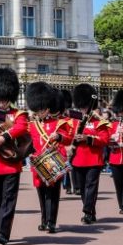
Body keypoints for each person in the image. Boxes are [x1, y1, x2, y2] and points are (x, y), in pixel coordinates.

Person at [0, 67, 29, 245]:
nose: (1, 103)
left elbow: (21, 128)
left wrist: (4, 137)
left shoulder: (18, 114)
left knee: (8, 200)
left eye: (4, 99)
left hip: (11, 164)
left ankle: (3, 233)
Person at [26, 82, 74, 233]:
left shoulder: (59, 123)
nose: (39, 112)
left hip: (53, 160)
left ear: (47, 108)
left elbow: (68, 138)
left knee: (53, 194)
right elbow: (28, 143)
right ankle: (43, 219)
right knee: (41, 193)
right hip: (39, 161)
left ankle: (51, 221)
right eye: (37, 110)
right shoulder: (32, 125)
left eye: (42, 109)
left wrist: (59, 136)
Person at [68, 83, 109, 225]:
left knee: (91, 186)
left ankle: (86, 211)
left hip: (93, 159)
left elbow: (104, 140)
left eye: (85, 107)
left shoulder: (99, 122)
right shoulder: (74, 120)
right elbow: (68, 136)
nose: (83, 109)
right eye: (82, 107)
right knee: (82, 187)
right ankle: (91, 212)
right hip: (78, 159)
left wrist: (88, 138)